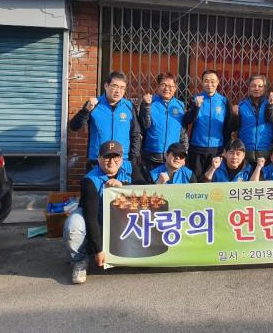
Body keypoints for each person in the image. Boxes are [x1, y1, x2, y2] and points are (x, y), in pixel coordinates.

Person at [63, 140, 145, 284]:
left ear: (122, 158)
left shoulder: (130, 167)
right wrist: (98, 250)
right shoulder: (89, 180)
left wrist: (123, 186)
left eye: (116, 157)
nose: (112, 161)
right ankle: (80, 260)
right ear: (99, 159)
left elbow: (145, 189)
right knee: (74, 226)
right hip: (98, 217)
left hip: (123, 219)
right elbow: (91, 218)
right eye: (107, 157)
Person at [69, 71, 141, 170]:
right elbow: (74, 127)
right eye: (115, 86)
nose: (118, 91)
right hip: (97, 161)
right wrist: (86, 110)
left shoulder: (129, 106)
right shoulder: (94, 104)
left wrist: (133, 159)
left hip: (121, 161)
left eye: (122, 88)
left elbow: (135, 134)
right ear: (106, 86)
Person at [184, 70, 231, 178]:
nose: (209, 84)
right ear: (202, 82)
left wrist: (226, 147)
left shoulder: (223, 101)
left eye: (212, 81)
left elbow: (227, 126)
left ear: (218, 82)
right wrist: (196, 107)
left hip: (217, 149)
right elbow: (188, 120)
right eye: (206, 81)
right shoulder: (194, 99)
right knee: (196, 179)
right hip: (197, 147)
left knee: (213, 179)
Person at [138, 73, 187, 172]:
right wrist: (146, 106)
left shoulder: (180, 105)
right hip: (151, 155)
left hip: (173, 157)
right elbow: (145, 125)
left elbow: (183, 133)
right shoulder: (150, 102)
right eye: (163, 85)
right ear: (158, 86)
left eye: (171, 86)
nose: (167, 88)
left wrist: (184, 153)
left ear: (175, 88)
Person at [229, 75, 273, 164]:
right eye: (253, 86)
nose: (256, 88)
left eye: (260, 86)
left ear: (265, 88)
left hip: (266, 153)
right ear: (249, 88)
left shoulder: (271, 105)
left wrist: (271, 104)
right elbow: (232, 128)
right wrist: (234, 115)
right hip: (245, 153)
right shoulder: (241, 106)